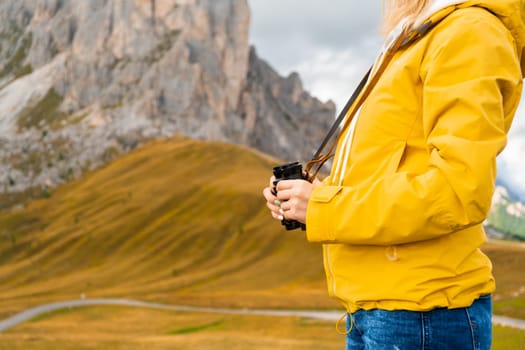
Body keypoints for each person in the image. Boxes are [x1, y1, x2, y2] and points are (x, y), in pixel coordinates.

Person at [262, 0, 525, 349]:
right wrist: (315, 196)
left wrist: (326, 208)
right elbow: (398, 168)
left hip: (421, 315)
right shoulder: (422, 32)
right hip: (383, 309)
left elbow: (458, 191)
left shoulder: (469, 32)